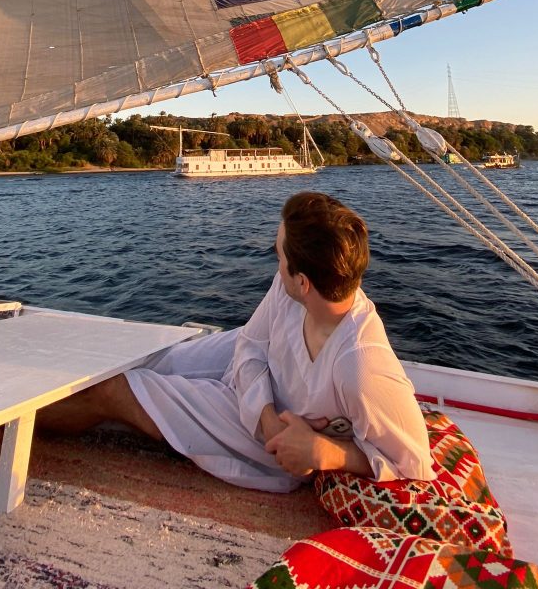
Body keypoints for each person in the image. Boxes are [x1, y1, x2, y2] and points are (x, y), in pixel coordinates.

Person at [38, 191, 433, 492]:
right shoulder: (290, 289)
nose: (274, 261)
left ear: (303, 281)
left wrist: (328, 453)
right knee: (142, 360)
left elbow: (415, 459)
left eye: (279, 255)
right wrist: (261, 414)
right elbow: (250, 344)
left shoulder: (360, 365)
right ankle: (47, 385)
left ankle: (9, 425)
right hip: (259, 398)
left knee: (116, 390)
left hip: (269, 432)